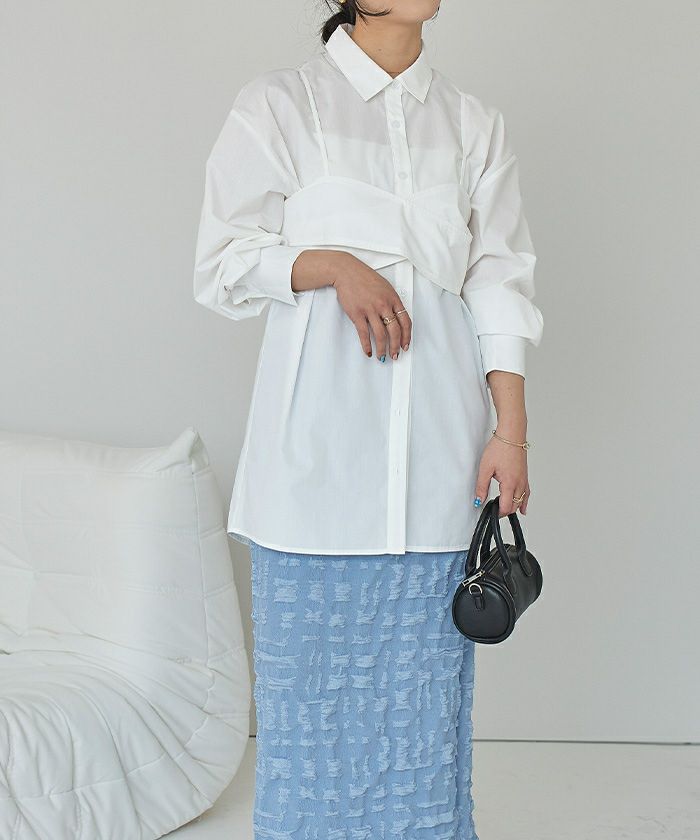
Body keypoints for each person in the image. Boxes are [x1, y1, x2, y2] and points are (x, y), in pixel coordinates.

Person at [193, 1, 543, 837]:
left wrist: (511, 431)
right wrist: (330, 265)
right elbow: (221, 263)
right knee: (307, 709)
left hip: (438, 457)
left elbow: (499, 282)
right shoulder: (280, 104)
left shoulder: (473, 125)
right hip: (313, 460)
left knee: (425, 710)